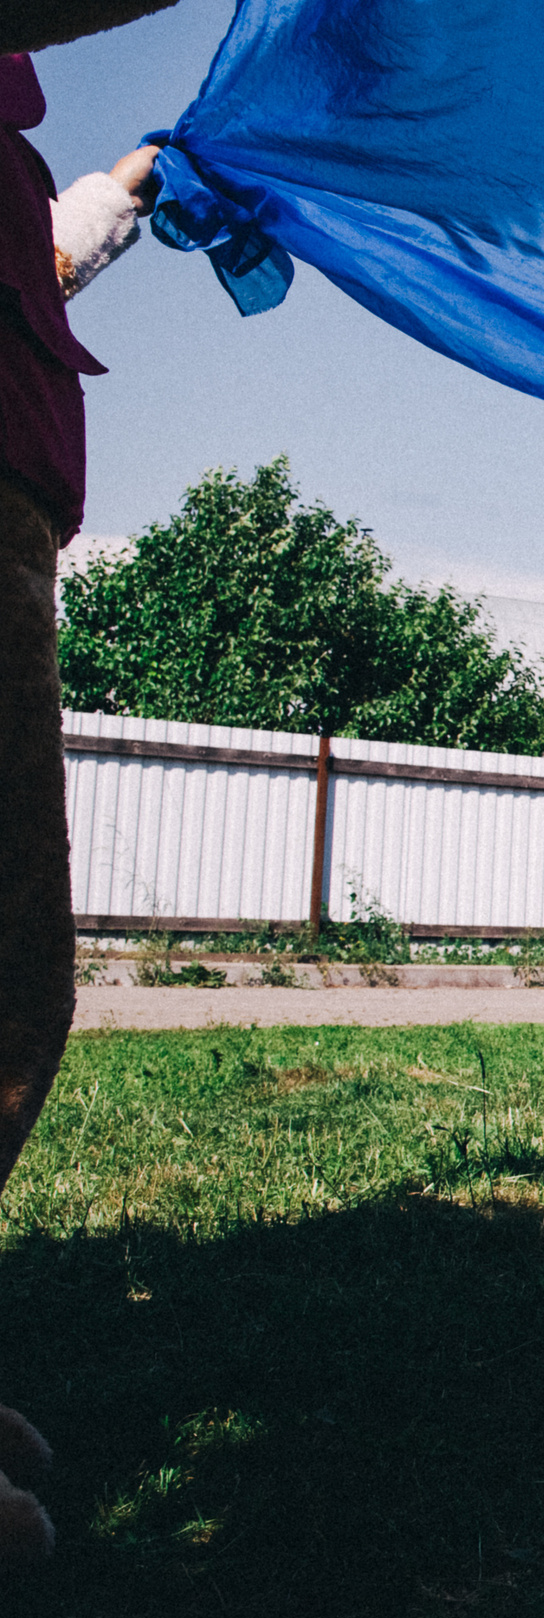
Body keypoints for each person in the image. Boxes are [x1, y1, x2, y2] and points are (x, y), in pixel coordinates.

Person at [0, 27, 171, 1203]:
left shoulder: (11, 167)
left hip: (18, 532)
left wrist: (128, 186)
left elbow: (37, 270)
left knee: (19, 974)